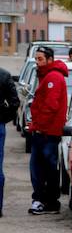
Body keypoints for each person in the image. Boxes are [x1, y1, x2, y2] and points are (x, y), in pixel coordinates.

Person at [28, 46, 68, 215]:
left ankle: (47, 201)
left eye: (40, 59)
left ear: (50, 59)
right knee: (42, 167)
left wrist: (39, 127)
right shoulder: (47, 76)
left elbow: (51, 106)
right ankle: (44, 200)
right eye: (36, 59)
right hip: (44, 131)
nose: (37, 63)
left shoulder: (53, 77)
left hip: (47, 133)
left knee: (42, 168)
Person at [0, 65, 20, 218]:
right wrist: (3, 119)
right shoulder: (4, 75)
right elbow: (14, 103)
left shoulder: (4, 75)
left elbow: (14, 103)